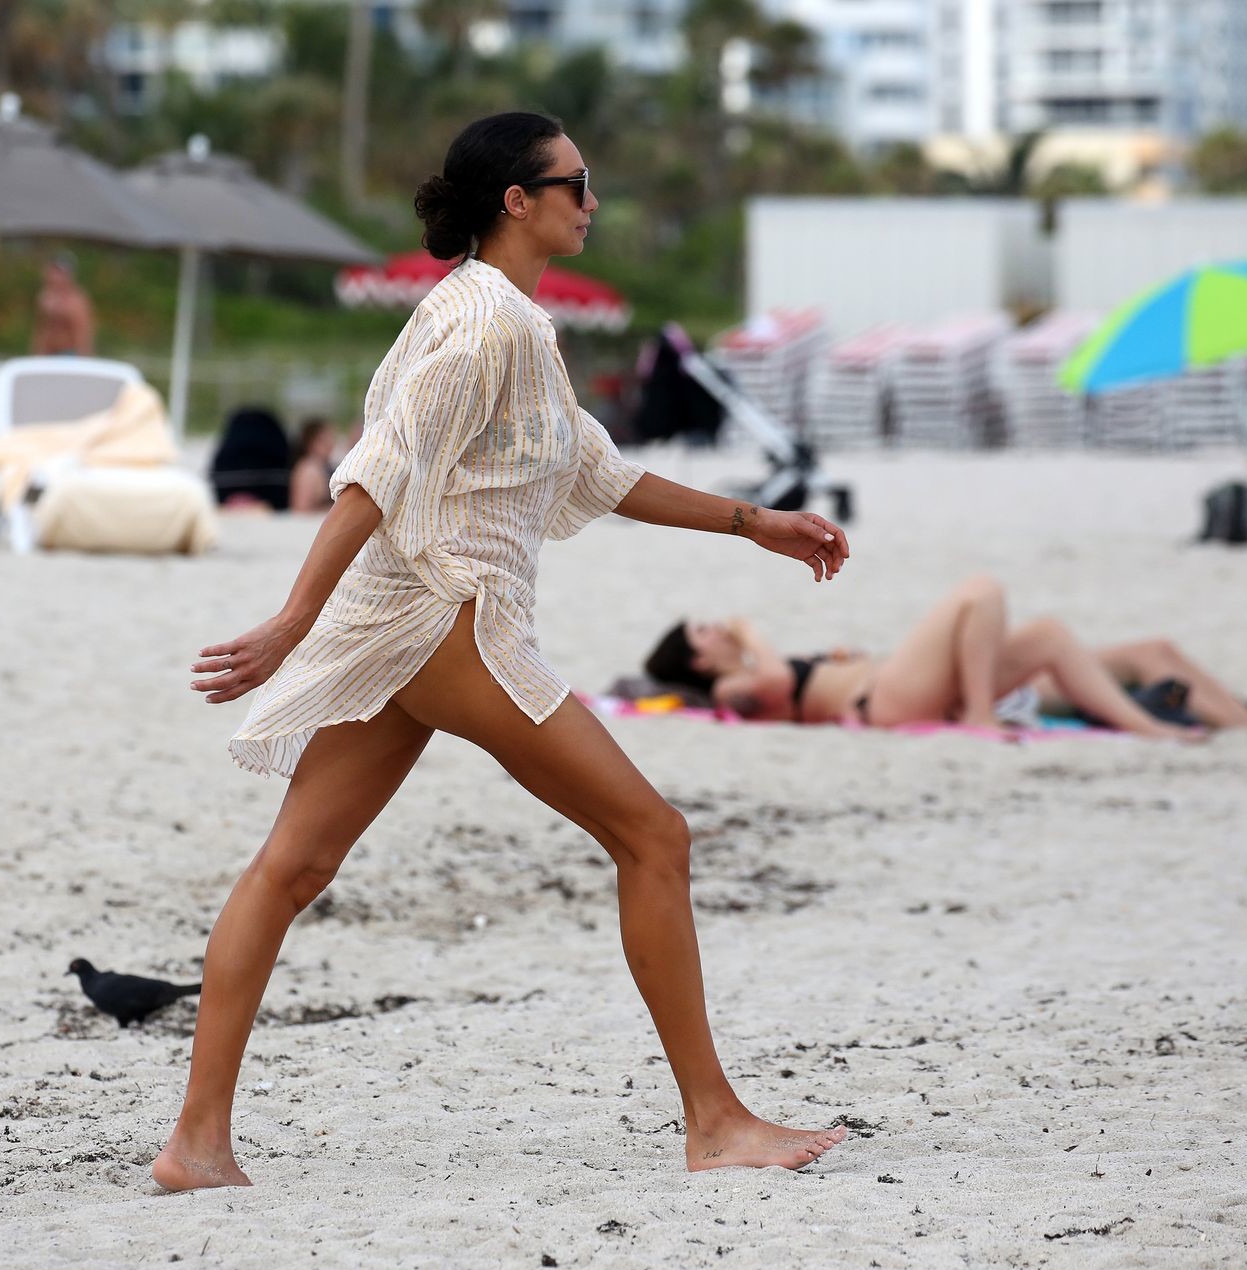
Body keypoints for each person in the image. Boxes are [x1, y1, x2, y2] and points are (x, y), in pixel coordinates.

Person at [155, 112, 852, 1193]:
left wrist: (753, 521)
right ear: (517, 202)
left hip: (398, 623)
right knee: (654, 836)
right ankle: (714, 1121)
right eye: (576, 182)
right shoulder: (489, 326)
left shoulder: (494, 315)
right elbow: (377, 472)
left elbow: (598, 473)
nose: (592, 200)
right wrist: (291, 621)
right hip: (454, 619)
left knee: (290, 868)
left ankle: (197, 1145)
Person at [645, 574, 1247, 736]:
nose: (717, 628)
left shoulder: (748, 671)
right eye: (704, 632)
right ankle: (981, 714)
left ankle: (1243, 726)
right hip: (881, 703)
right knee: (980, 592)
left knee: (1056, 635)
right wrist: (752, 633)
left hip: (896, 686)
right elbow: (777, 685)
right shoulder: (728, 690)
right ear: (698, 662)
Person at [29, 253, 95, 357]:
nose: (54, 277)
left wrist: (83, 359)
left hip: (69, 354)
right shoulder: (44, 297)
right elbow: (41, 329)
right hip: (48, 353)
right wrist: (36, 354)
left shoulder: (76, 300)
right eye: (53, 271)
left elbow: (83, 333)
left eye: (59, 273)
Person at [287, 417, 338, 513]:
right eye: (324, 440)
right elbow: (301, 508)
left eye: (331, 437)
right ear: (310, 443)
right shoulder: (308, 470)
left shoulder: (324, 467)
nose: (330, 443)